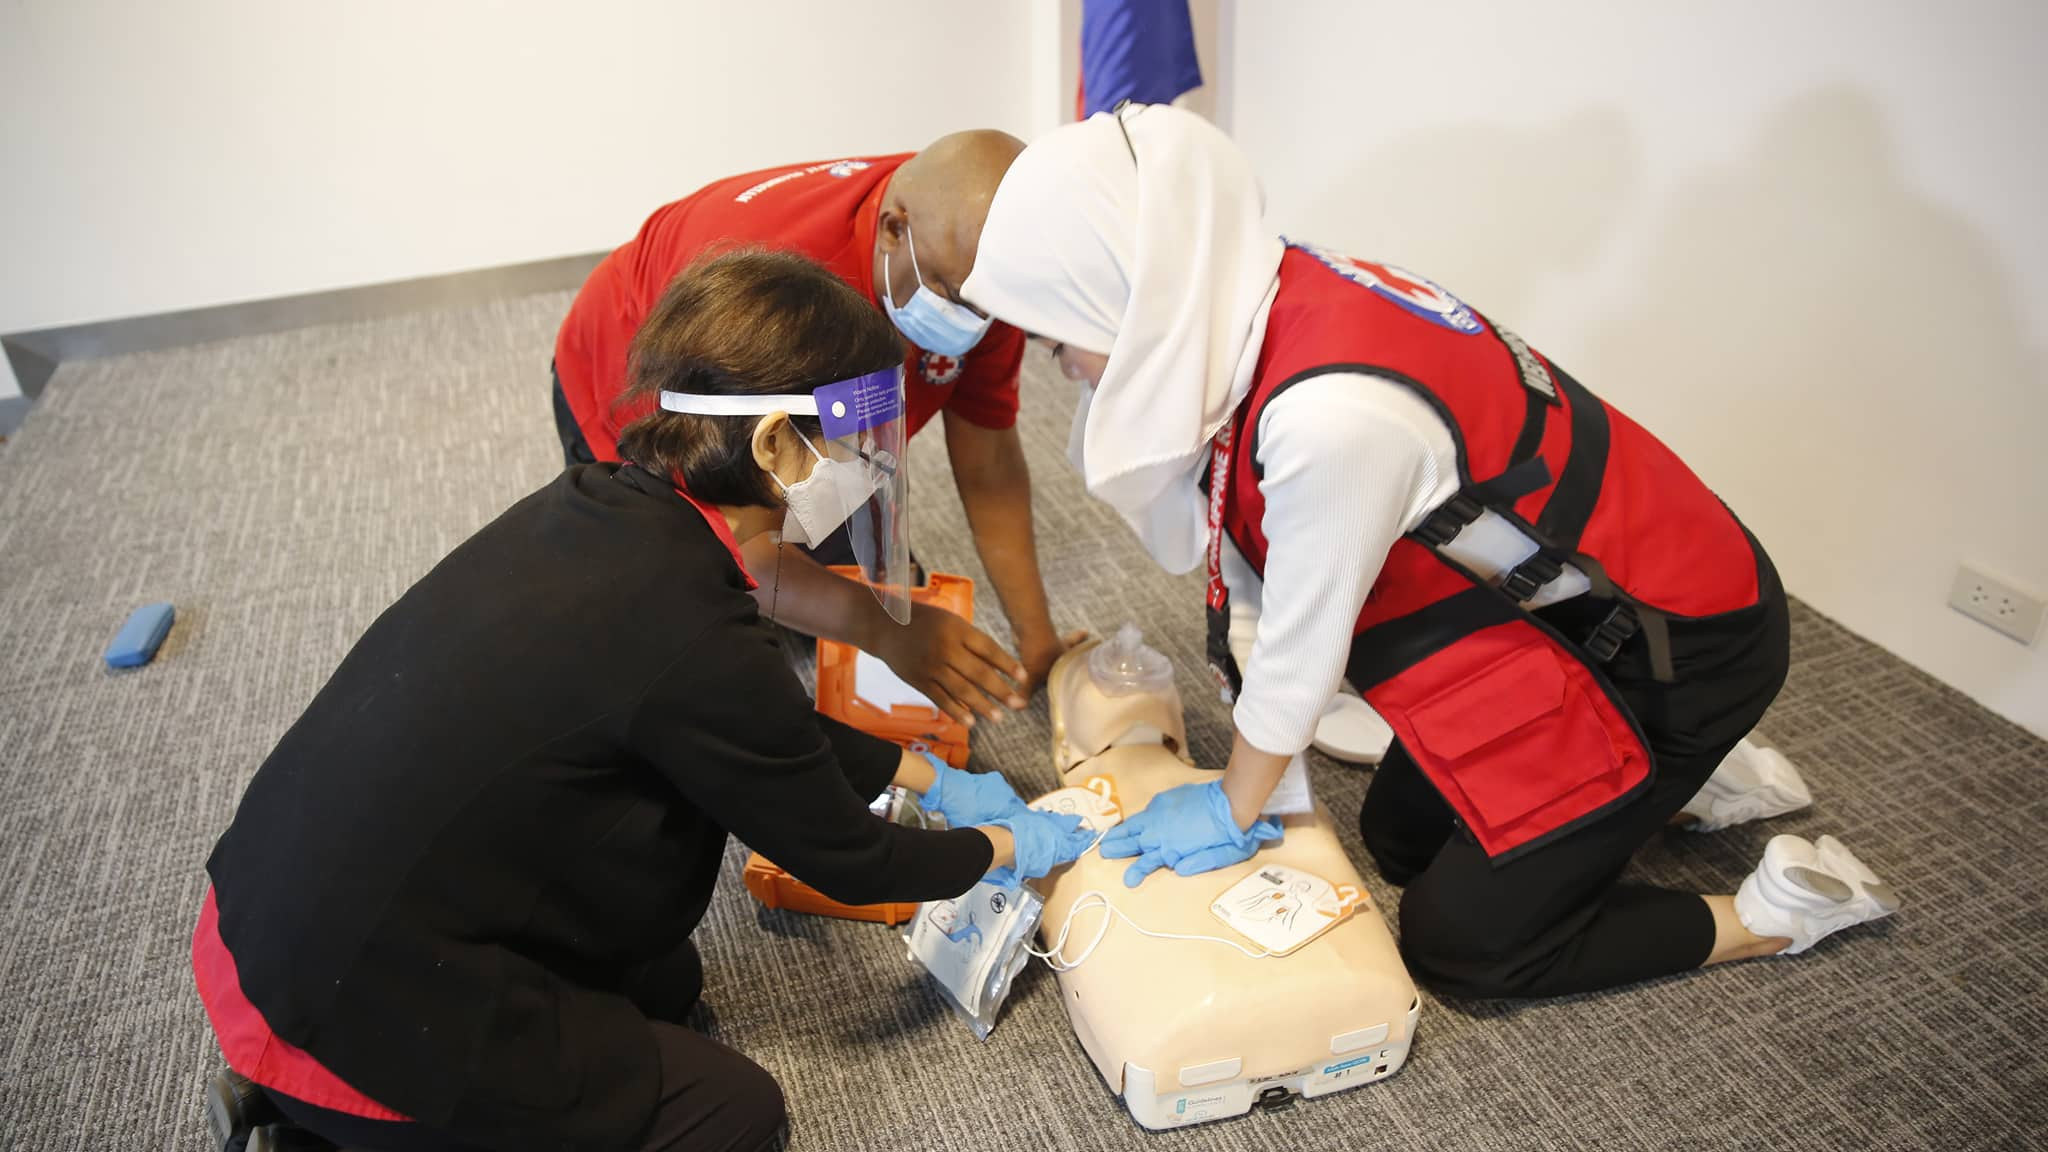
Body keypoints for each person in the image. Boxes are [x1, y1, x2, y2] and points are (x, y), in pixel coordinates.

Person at [959, 104, 1900, 1000]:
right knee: (1399, 839)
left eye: (1058, 341)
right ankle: (1667, 792)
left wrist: (1234, 805)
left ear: (1134, 291)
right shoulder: (1262, 290)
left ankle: (1772, 908)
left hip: (1680, 644)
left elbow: (1302, 645)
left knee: (1463, 944)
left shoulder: (1329, 416)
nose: (1066, 370)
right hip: (1568, 613)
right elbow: (1251, 565)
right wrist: (1260, 785)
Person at [194, 250, 1094, 1152]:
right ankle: (311, 1127)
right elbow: (855, 861)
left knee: (664, 983)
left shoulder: (601, 506)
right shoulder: (691, 628)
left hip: (273, 914)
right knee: (732, 1116)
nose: (869, 466)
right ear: (777, 444)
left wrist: (923, 774)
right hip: (342, 1001)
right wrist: (1012, 845)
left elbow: (743, 730)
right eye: (858, 444)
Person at [554, 132, 1084, 727]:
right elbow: (723, 531)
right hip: (635, 389)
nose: (970, 321)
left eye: (984, 306)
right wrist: (876, 627)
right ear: (892, 229)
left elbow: (989, 462)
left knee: (874, 582)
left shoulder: (978, 266)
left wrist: (1039, 638)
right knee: (697, 626)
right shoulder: (765, 298)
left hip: (794, 419)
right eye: (952, 297)